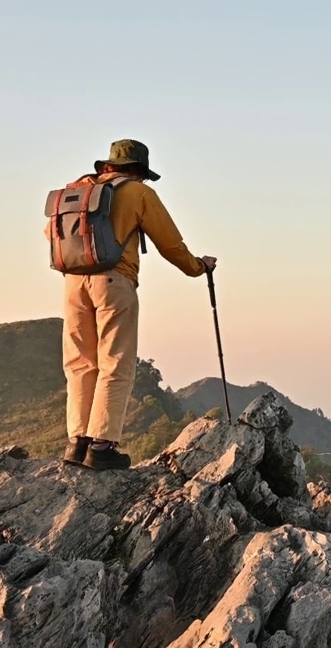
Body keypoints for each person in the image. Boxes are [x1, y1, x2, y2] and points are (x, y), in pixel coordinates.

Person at [60, 138, 216, 470]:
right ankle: (101, 446)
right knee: (115, 362)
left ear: (108, 165)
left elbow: (52, 234)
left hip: (73, 282)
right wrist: (198, 267)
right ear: (139, 171)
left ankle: (77, 442)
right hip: (114, 281)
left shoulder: (79, 190)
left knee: (79, 363)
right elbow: (171, 245)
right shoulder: (139, 193)